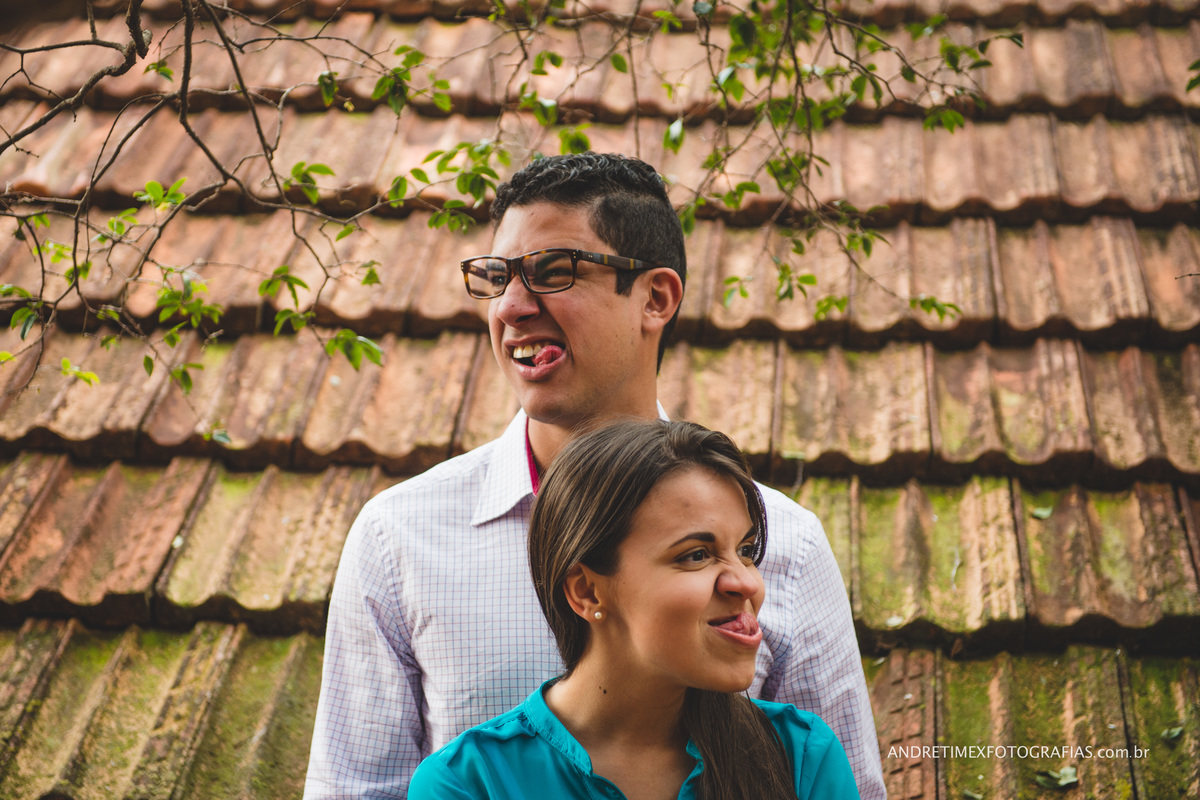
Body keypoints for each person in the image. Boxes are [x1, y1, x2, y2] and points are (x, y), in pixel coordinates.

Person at [303, 153, 885, 799]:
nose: (511, 307)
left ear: (655, 298)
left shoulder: (790, 544)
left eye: (553, 271)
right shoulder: (400, 537)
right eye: (497, 277)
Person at [407, 419, 860, 800]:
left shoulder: (802, 758)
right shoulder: (467, 784)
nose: (746, 582)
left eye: (745, 550)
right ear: (586, 592)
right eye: (696, 555)